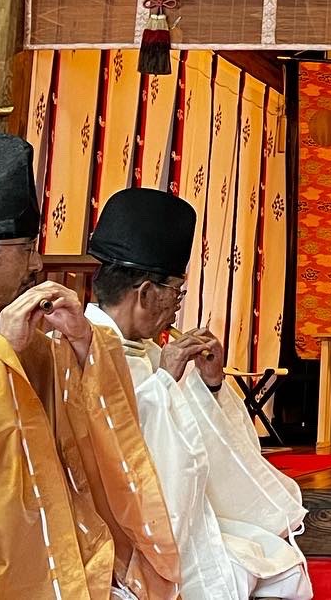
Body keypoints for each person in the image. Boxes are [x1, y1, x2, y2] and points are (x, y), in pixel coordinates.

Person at [0, 130, 181, 600]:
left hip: (61, 544)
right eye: (24, 249)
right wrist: (3, 358)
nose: (37, 263)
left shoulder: (24, 338)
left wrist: (83, 343)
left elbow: (87, 416)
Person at [85, 186, 312, 600]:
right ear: (146, 292)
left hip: (183, 515)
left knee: (282, 568)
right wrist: (164, 383)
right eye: (176, 292)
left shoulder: (151, 351)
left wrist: (210, 384)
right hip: (127, 536)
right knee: (251, 573)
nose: (176, 306)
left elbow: (202, 443)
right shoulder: (81, 350)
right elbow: (112, 454)